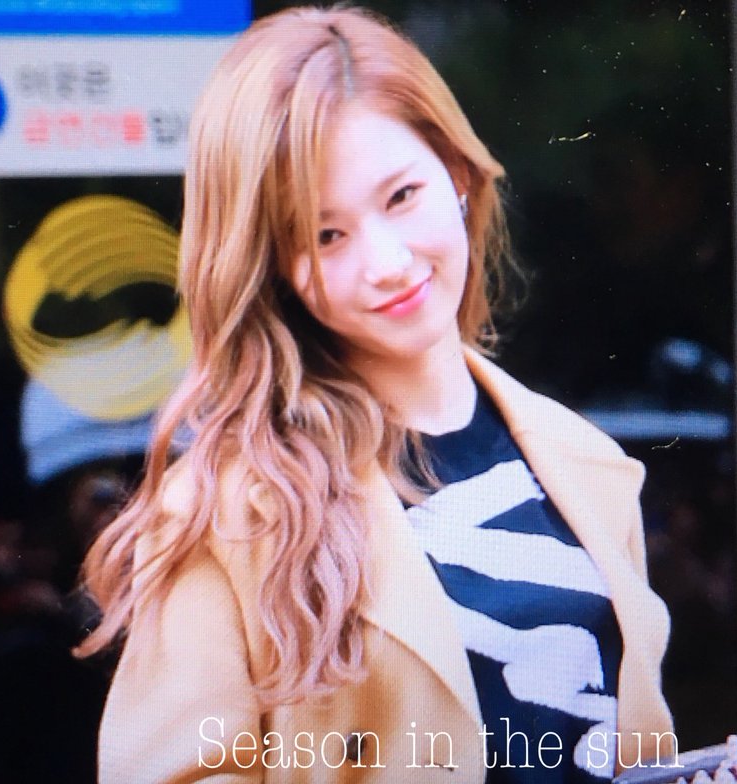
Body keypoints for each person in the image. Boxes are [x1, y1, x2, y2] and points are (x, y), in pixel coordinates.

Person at [79, 6, 688, 783]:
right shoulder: (228, 509)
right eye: (326, 236)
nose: (388, 263)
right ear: (274, 268)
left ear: (457, 174)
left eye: (401, 197)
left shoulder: (585, 463)